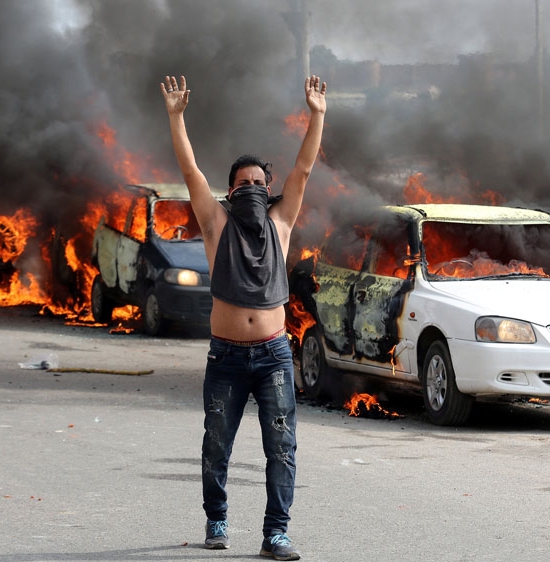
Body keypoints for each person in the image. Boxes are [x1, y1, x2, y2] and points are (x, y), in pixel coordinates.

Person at [161, 73, 326, 561]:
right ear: (230, 191)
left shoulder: (281, 223)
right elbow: (190, 170)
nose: (253, 189)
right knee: (217, 444)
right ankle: (217, 519)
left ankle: (276, 533)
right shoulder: (215, 224)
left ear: (268, 188)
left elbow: (304, 170)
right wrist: (176, 117)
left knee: (281, 448)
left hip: (275, 354)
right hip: (227, 357)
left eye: (259, 183)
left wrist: (317, 115)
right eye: (243, 184)